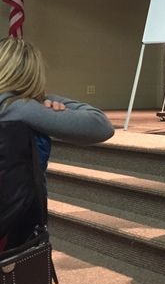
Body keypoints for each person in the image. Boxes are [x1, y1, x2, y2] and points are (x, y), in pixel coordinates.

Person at [0, 36, 114, 247]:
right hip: (13, 226)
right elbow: (101, 126)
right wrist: (44, 98)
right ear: (30, 74)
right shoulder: (19, 108)